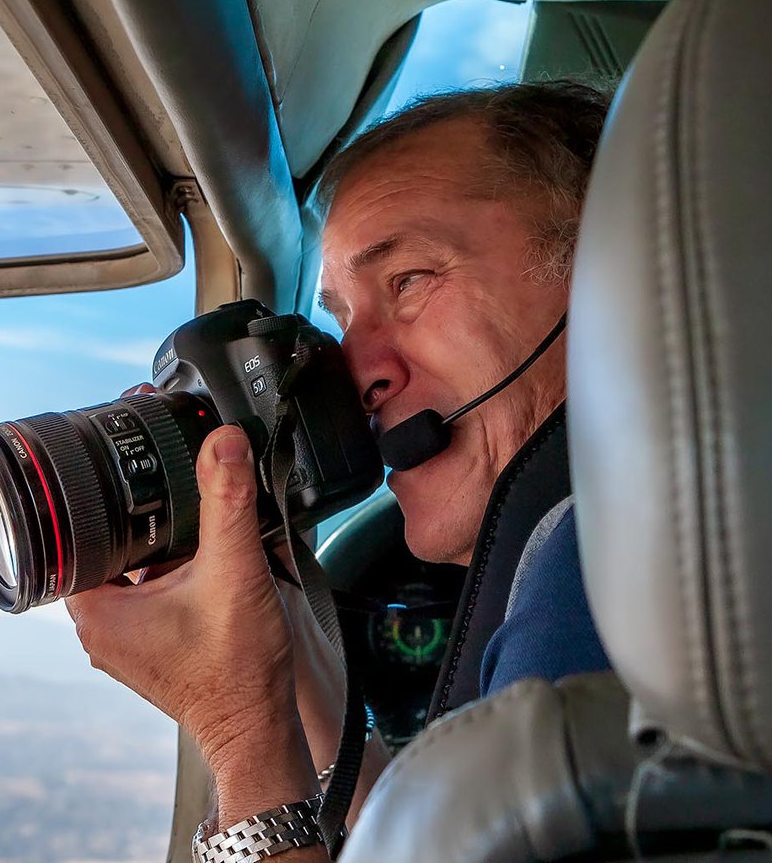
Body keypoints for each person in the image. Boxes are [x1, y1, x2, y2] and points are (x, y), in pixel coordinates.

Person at [66, 81, 614, 861]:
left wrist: (240, 730)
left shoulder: (602, 569)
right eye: (345, 318)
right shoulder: (581, 557)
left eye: (410, 281)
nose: (356, 374)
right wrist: (295, 671)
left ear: (619, 273)